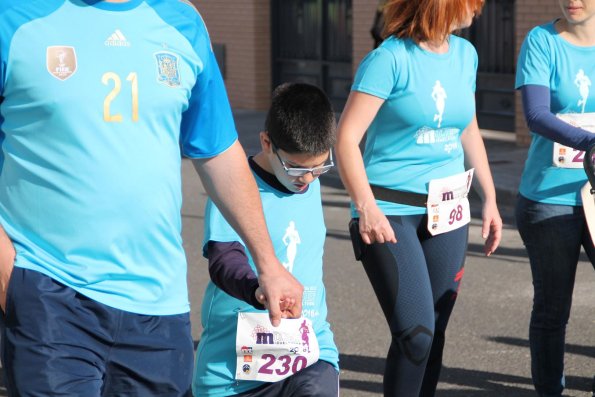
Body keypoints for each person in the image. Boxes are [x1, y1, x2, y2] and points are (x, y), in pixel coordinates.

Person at [0, 1, 302, 396]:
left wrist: (268, 262)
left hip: (159, 307)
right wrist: (12, 278)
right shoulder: (14, 16)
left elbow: (218, 153)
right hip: (49, 292)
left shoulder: (183, 22)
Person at [335, 0, 502, 395]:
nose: (477, 10)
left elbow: (468, 130)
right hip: (389, 213)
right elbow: (345, 140)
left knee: (435, 330)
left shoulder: (466, 54)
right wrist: (366, 207)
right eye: (472, 3)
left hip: (449, 210)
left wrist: (490, 197)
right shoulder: (389, 59)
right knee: (416, 334)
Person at [192, 82, 339, 397]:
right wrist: (258, 288)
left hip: (310, 353)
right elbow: (224, 259)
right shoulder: (235, 187)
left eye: (320, 167)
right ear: (267, 142)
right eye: (298, 169)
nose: (309, 179)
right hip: (234, 369)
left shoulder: (308, 181)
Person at [515, 0, 595, 394]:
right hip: (549, 197)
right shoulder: (541, 41)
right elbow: (535, 114)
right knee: (552, 310)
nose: (573, 0)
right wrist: (590, 142)